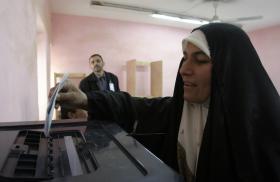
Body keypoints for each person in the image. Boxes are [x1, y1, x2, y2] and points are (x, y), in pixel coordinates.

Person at [53, 23, 280, 181]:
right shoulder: (178, 110)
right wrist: (85, 99)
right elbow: (132, 105)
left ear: (231, 70)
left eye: (200, 60)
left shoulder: (263, 130)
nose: (184, 70)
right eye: (184, 58)